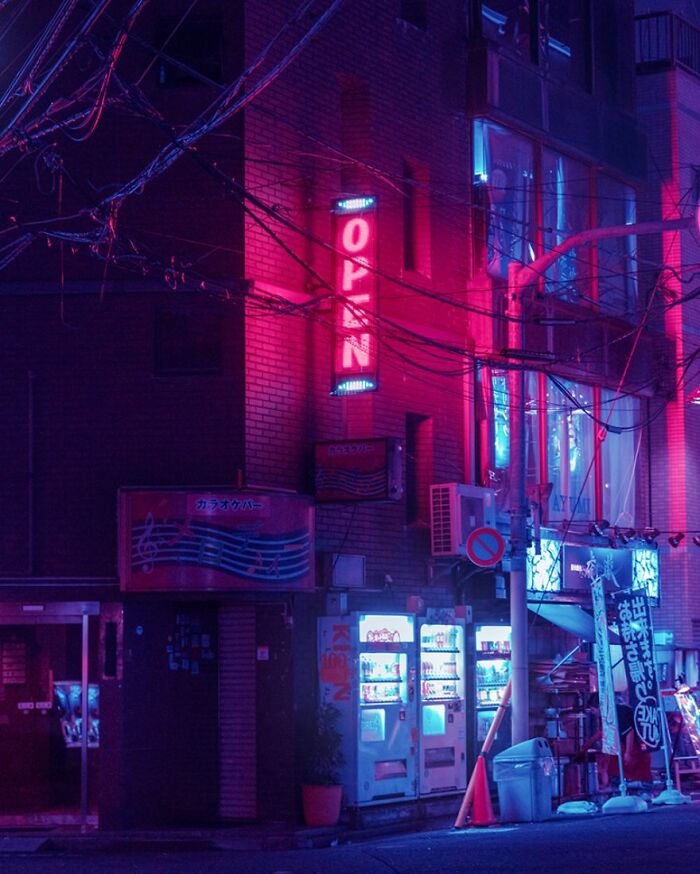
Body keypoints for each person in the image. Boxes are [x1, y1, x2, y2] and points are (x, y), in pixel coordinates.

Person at [575, 692, 651, 788]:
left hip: (636, 748)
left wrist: (628, 753)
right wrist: (588, 744)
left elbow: (629, 732)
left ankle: (638, 789)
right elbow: (603, 731)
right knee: (614, 767)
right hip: (629, 746)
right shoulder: (609, 714)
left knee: (634, 776)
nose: (593, 713)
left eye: (593, 710)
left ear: (600, 706)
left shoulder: (617, 712)